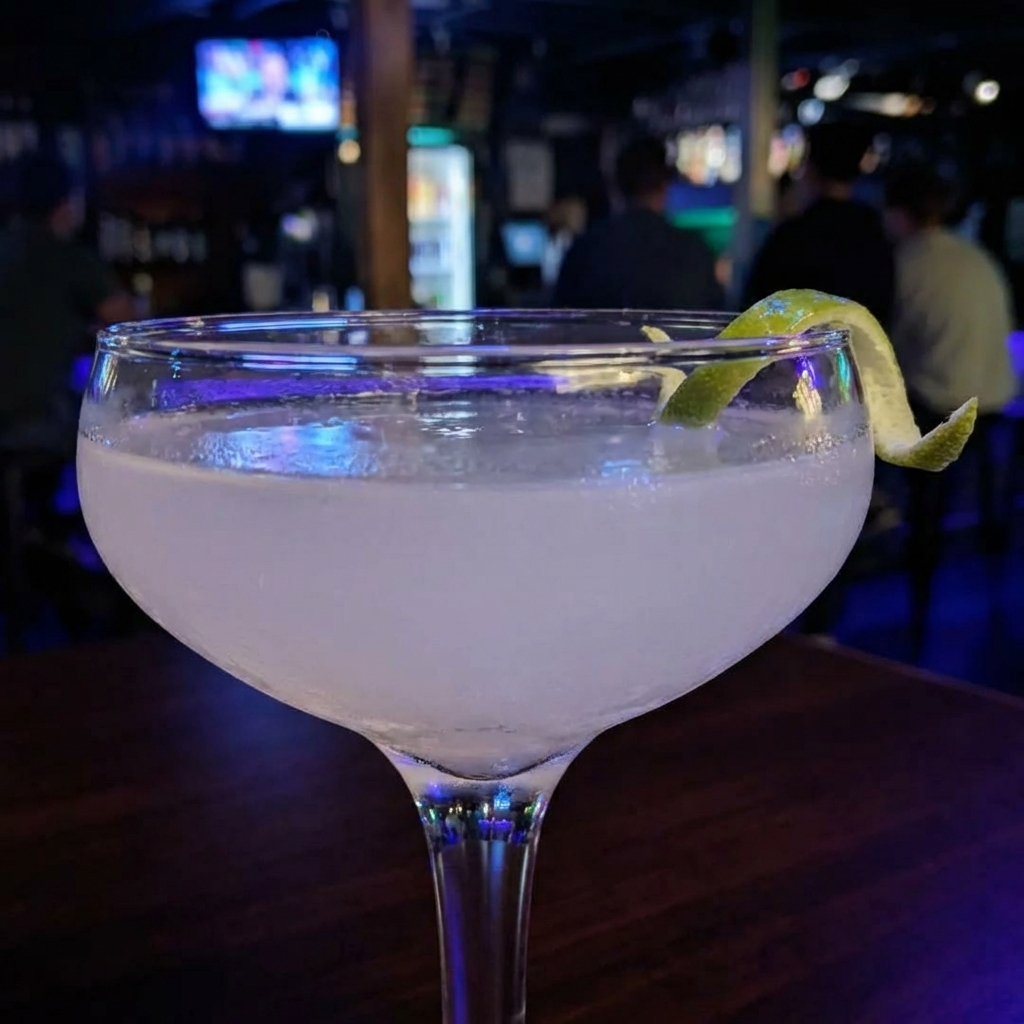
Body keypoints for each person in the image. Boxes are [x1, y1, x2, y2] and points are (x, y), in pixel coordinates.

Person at [884, 166, 1018, 651]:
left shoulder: (906, 262)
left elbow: (889, 346)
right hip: (996, 400)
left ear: (898, 213)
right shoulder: (977, 257)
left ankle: (889, 525)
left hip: (944, 407)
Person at [0, 152, 135, 451]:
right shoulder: (67, 257)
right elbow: (126, 322)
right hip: (36, 414)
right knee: (121, 411)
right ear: (67, 203)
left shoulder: (7, 247)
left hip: (15, 413)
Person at [744, 122, 894, 327]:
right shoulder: (875, 234)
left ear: (810, 168)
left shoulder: (793, 236)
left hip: (797, 356)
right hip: (859, 353)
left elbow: (755, 312)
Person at [553, 137, 722, 310]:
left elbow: (561, 319)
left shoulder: (585, 248)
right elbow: (721, 324)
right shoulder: (695, 250)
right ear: (665, 184)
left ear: (617, 185)